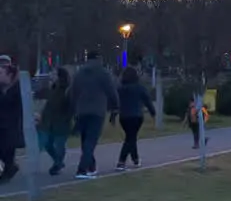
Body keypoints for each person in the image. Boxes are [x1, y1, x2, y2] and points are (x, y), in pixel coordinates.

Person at [69, 51, 119, 180]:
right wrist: (115, 106)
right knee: (91, 141)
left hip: (81, 110)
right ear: (99, 59)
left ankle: (91, 166)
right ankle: (82, 170)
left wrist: (74, 108)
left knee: (85, 140)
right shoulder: (103, 73)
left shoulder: (79, 73)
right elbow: (111, 91)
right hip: (97, 110)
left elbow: (72, 92)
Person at [114, 66, 156, 171]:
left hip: (124, 116)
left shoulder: (120, 89)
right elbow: (147, 100)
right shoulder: (140, 88)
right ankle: (121, 161)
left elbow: (116, 103)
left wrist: (113, 116)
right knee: (130, 138)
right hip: (136, 116)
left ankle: (135, 159)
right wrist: (153, 112)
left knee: (131, 137)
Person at [37, 66, 74, 175]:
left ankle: (57, 164)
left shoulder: (67, 89)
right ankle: (58, 161)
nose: (50, 76)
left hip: (61, 121)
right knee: (48, 144)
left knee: (59, 144)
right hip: (49, 121)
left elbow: (70, 106)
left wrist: (67, 117)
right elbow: (48, 104)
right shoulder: (53, 88)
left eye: (53, 74)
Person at [0, 59, 23, 184]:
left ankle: (9, 170)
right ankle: (9, 168)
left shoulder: (17, 89)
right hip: (2, 125)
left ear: (9, 75)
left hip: (11, 126)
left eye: (0, 73)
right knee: (5, 153)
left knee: (7, 151)